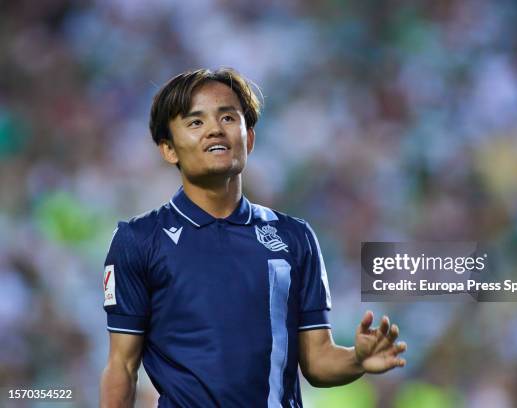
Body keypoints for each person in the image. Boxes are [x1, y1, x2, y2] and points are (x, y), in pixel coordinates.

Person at [99, 68, 407, 407]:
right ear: (169, 149)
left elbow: (317, 362)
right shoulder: (139, 240)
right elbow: (122, 367)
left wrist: (357, 359)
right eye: (195, 122)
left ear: (249, 139)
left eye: (228, 117)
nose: (215, 129)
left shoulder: (295, 237)